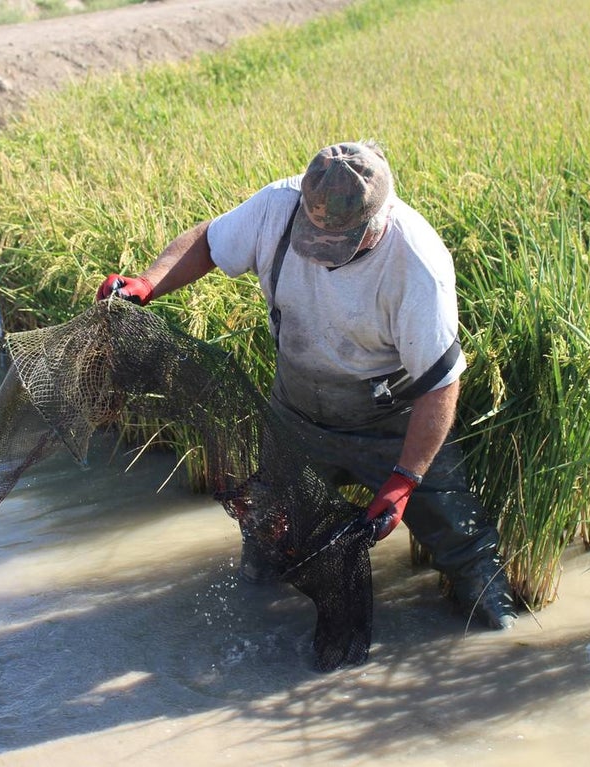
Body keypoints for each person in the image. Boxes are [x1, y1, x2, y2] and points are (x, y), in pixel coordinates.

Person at [96, 140, 517, 630]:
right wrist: (149, 282)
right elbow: (210, 242)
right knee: (267, 540)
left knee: (460, 540)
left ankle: (500, 633)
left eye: (342, 241)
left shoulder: (417, 265)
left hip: (391, 422)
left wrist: (404, 480)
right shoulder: (277, 206)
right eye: (316, 237)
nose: (324, 256)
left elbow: (441, 385)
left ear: (381, 216)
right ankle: (257, 624)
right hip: (296, 414)